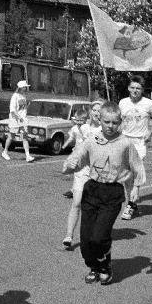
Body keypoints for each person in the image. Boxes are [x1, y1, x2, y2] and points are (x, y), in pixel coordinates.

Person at [61, 102, 144, 285]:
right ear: (101, 120)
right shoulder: (92, 139)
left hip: (112, 192)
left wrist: (136, 187)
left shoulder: (125, 143)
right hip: (92, 190)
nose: (110, 126)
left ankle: (105, 265)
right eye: (106, 121)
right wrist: (69, 166)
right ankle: (93, 266)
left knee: (99, 236)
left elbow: (137, 166)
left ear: (120, 122)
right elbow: (79, 156)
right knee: (86, 239)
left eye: (114, 122)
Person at [118, 75, 152, 220]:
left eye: (138, 88)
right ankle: (132, 202)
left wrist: (150, 133)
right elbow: (118, 121)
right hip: (124, 141)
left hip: (139, 143)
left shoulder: (149, 104)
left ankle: (130, 205)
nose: (135, 90)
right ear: (128, 88)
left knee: (135, 172)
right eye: (133, 87)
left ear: (142, 89)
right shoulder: (122, 103)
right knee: (126, 177)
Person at [61, 106, 95, 248]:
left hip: (95, 171)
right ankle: (69, 236)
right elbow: (72, 137)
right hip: (81, 169)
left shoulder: (92, 129)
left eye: (82, 120)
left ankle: (92, 235)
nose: (79, 122)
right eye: (95, 110)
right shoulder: (78, 128)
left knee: (92, 206)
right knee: (76, 202)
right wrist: (66, 147)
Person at [1, 80, 35, 163]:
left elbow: (22, 108)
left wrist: (28, 105)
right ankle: (5, 152)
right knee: (11, 136)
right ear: (21, 88)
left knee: (25, 137)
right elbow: (12, 110)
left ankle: (27, 156)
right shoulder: (15, 96)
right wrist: (18, 118)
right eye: (25, 87)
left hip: (23, 120)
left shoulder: (23, 96)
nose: (26, 88)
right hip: (15, 120)